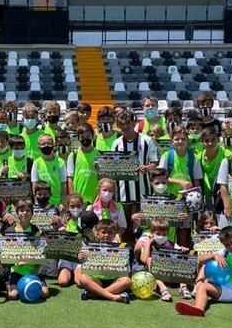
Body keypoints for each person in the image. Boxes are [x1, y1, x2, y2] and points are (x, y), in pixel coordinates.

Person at [111, 108, 159, 242]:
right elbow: (112, 168)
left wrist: (147, 167)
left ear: (133, 123)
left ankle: (142, 256)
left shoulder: (147, 140)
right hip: (123, 191)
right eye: (122, 125)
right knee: (124, 226)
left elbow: (155, 162)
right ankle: (128, 255)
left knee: (144, 226)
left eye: (128, 124)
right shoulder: (116, 144)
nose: (125, 127)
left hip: (143, 189)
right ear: (118, 125)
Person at [3, 199, 49, 301]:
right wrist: (16, 262)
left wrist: (35, 271)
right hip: (17, 271)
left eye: (28, 211)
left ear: (32, 213)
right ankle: (9, 285)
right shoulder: (10, 231)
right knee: (13, 295)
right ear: (17, 212)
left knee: (44, 293)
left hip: (33, 270)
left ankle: (21, 286)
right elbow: (5, 256)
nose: (25, 213)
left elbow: (42, 255)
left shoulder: (37, 232)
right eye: (21, 210)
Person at [76, 220, 131, 303]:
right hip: (97, 280)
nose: (106, 235)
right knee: (83, 278)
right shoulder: (88, 247)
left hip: (114, 280)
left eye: (109, 233)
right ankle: (112, 296)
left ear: (114, 234)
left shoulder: (121, 248)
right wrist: (81, 258)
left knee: (127, 281)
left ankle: (95, 294)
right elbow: (84, 266)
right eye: (103, 232)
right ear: (97, 234)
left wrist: (124, 262)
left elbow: (127, 272)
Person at [134, 218, 188, 302]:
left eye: (164, 234)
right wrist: (148, 243)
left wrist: (182, 249)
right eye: (158, 234)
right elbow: (144, 260)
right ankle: (163, 290)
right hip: (154, 272)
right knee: (150, 259)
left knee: (181, 260)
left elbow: (180, 252)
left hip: (169, 271)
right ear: (152, 233)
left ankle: (183, 287)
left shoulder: (170, 244)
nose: (161, 236)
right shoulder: (146, 243)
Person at [31, 134, 67, 209]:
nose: (46, 145)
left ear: (53, 145)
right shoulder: (36, 162)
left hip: (57, 202)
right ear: (38, 146)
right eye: (43, 144)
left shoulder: (60, 162)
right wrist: (36, 202)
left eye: (49, 143)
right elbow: (34, 183)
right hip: (42, 202)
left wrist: (63, 202)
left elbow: (63, 183)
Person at [67, 124, 99, 203]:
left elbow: (103, 178)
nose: (85, 139)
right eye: (82, 137)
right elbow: (70, 178)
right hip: (78, 200)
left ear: (93, 136)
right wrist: (72, 196)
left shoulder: (99, 154)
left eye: (88, 137)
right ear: (78, 138)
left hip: (95, 199)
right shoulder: (73, 155)